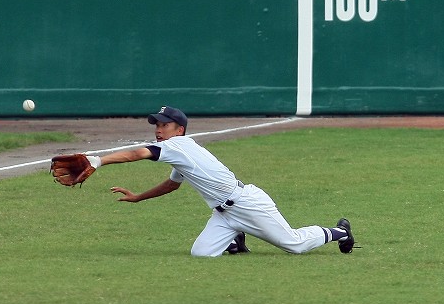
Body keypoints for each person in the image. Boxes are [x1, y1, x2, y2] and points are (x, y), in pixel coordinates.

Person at [84, 106, 355, 257]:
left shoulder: (178, 145)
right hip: (223, 214)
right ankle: (235, 239)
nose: (158, 129)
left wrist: (99, 161)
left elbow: (137, 153)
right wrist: (138, 197)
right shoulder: (181, 154)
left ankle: (339, 232)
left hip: (249, 204)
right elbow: (172, 185)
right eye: (156, 124)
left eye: (164, 125)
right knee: (201, 254)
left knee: (294, 245)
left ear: (179, 130)